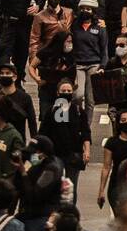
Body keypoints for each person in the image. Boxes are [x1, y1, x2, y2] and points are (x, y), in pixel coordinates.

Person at [38, 76, 91, 205]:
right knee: (55, 185)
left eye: (69, 91)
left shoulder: (78, 111)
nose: (66, 93)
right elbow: (43, 134)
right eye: (63, 91)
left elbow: (85, 132)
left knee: (71, 187)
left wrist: (87, 150)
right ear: (57, 93)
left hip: (73, 155)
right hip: (55, 156)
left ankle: (70, 213)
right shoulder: (52, 111)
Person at [98, 107, 127, 213]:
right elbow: (106, 167)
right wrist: (101, 190)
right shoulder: (112, 143)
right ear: (118, 123)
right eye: (123, 120)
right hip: (116, 185)